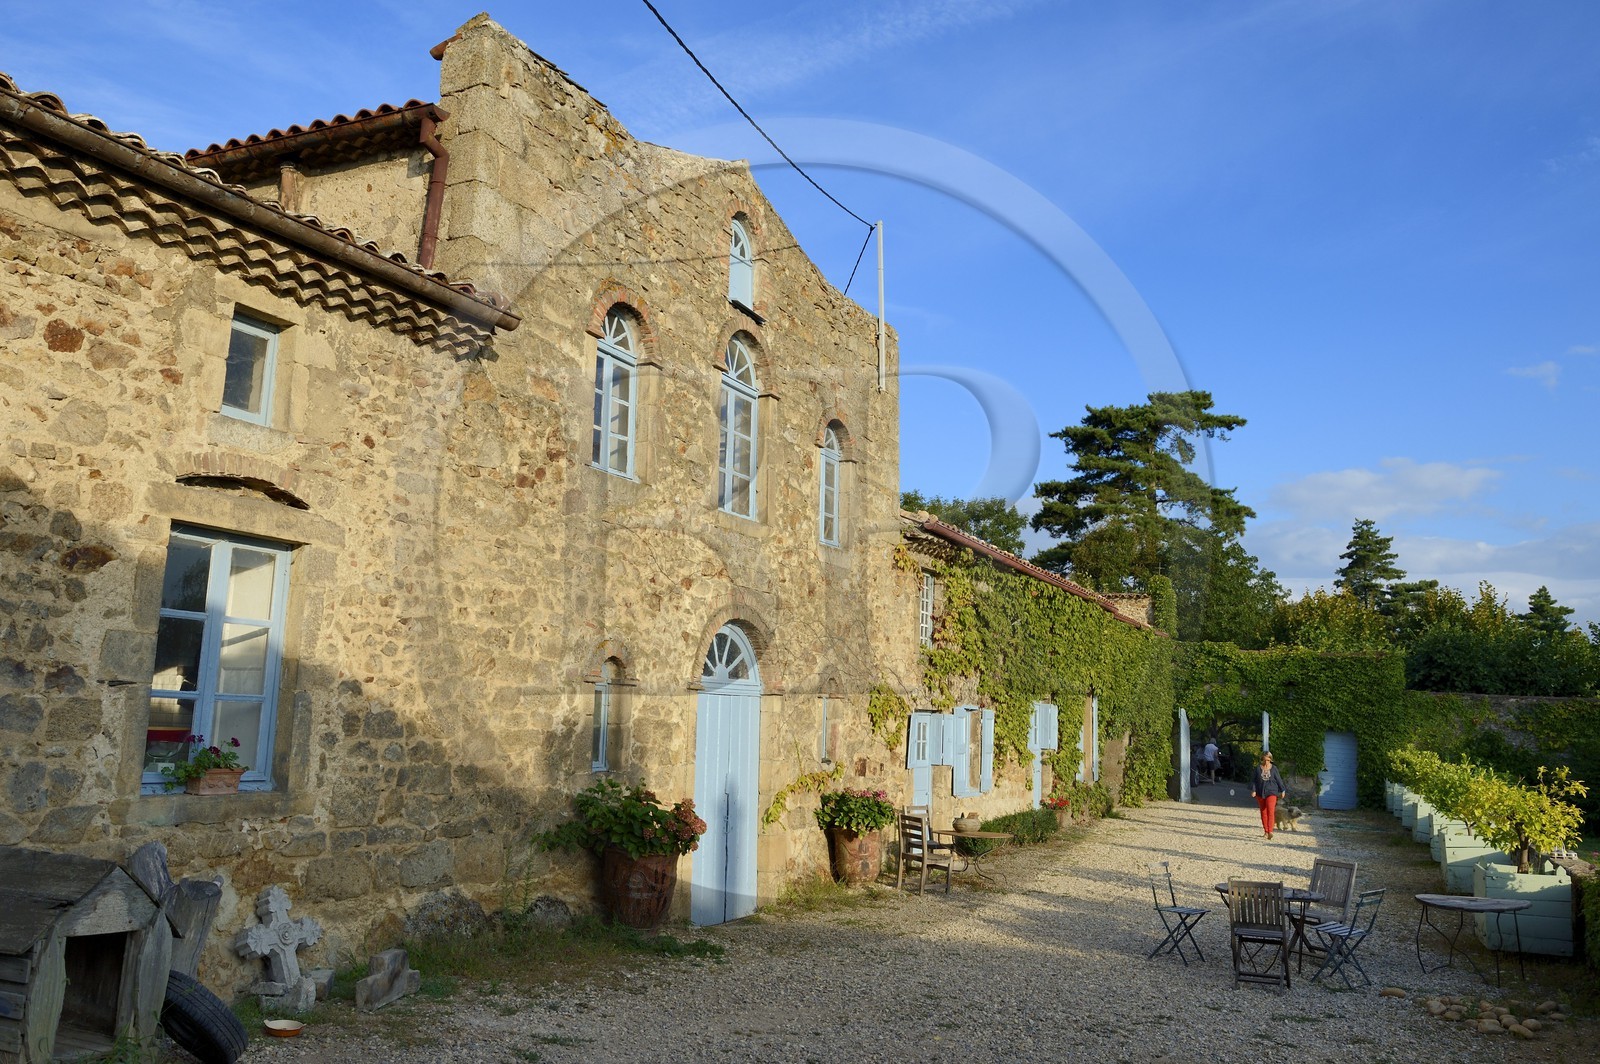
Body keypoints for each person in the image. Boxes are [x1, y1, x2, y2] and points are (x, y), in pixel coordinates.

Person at [1252, 752, 1286, 839]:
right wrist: (1254, 790)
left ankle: (1270, 831)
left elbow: (1279, 780)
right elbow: (1254, 780)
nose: (1266, 761)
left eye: (1268, 760)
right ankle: (1266, 831)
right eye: (1265, 759)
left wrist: (1282, 790)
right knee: (1263, 812)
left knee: (1270, 811)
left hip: (1271, 792)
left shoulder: (1274, 769)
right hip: (1260, 792)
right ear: (1262, 759)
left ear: (1271, 759)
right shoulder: (1258, 769)